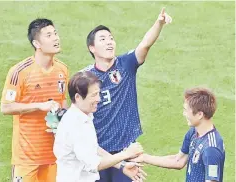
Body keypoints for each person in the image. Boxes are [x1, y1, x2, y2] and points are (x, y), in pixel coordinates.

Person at [81, 7, 172, 182]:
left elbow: (145, 44)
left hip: (126, 151)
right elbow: (79, 116)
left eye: (111, 38)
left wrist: (159, 23)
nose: (109, 42)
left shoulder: (125, 65)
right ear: (92, 48)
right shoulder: (84, 78)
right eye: (103, 39)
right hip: (97, 152)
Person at [0, 18, 68, 182]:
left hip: (53, 156)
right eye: (49, 35)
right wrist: (40, 106)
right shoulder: (19, 72)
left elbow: (62, 102)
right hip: (26, 158)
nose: (56, 38)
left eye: (56, 33)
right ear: (37, 43)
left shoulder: (62, 69)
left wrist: (64, 117)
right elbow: (6, 108)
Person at [53, 71, 146, 182]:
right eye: (93, 95)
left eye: (98, 93)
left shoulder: (84, 115)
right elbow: (94, 164)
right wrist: (125, 154)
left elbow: (93, 148)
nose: (99, 99)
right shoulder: (75, 125)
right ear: (78, 97)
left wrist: (121, 166)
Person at [132, 87, 225, 182]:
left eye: (186, 110)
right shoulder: (194, 132)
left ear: (200, 115)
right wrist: (144, 157)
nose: (184, 114)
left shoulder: (211, 149)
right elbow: (178, 161)